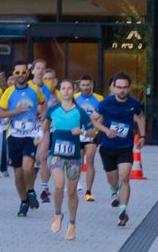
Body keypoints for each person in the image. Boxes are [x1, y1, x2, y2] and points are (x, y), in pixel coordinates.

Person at [92, 72, 146, 228]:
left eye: (125, 88)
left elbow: (141, 117)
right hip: (108, 147)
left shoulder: (134, 103)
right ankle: (113, 190)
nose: (122, 90)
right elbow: (94, 120)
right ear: (113, 88)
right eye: (119, 87)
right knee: (113, 179)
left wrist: (142, 136)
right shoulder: (105, 103)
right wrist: (105, 130)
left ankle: (123, 211)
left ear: (129, 88)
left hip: (125, 146)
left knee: (124, 178)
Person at [0, 61, 44, 217]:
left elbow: (44, 104)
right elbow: (0, 114)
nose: (20, 75)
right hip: (14, 135)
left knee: (27, 166)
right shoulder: (8, 92)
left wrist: (43, 114)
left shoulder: (34, 89)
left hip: (30, 134)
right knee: (18, 173)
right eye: (17, 73)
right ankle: (23, 201)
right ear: (13, 74)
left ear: (27, 74)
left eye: (23, 72)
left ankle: (30, 190)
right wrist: (15, 111)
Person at [47, 79, 90, 240]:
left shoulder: (80, 112)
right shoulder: (53, 110)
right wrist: (39, 137)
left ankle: (72, 224)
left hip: (73, 158)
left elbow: (93, 132)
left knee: (72, 192)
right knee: (59, 184)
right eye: (63, 88)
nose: (66, 91)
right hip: (56, 155)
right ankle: (58, 214)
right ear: (60, 91)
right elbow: (45, 126)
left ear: (74, 91)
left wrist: (83, 132)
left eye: (69, 88)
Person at [74, 76, 103, 201]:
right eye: (83, 85)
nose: (85, 87)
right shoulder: (74, 98)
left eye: (88, 85)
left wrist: (96, 130)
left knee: (90, 159)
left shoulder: (99, 98)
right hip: (78, 133)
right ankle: (75, 185)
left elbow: (102, 115)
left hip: (91, 132)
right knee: (78, 161)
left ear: (92, 85)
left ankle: (88, 191)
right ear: (80, 86)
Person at [30, 59, 52, 203]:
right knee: (32, 160)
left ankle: (44, 189)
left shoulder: (48, 89)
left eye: (43, 68)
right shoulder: (26, 87)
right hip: (27, 128)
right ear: (32, 71)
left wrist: (46, 112)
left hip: (44, 125)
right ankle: (29, 189)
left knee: (43, 157)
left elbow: (50, 106)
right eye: (38, 68)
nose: (40, 70)